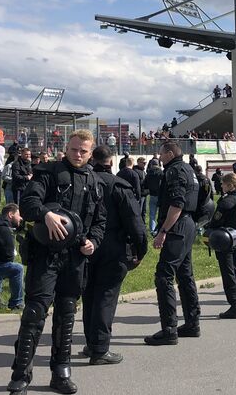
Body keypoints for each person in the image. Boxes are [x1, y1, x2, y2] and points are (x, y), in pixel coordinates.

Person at [8, 130, 106, 395]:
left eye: (83, 151)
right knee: (34, 313)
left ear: (90, 152)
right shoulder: (47, 172)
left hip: (75, 259)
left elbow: (99, 222)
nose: (78, 155)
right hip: (45, 255)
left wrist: (93, 242)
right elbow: (27, 204)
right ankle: (21, 373)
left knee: (66, 315)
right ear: (67, 147)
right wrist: (46, 214)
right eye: (74, 149)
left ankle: (61, 371)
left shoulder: (96, 182)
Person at [83, 146, 148, 365]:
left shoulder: (83, 181)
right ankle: (100, 349)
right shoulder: (118, 185)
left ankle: (92, 343)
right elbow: (134, 221)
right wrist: (141, 249)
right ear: (111, 161)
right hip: (113, 246)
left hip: (85, 245)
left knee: (90, 295)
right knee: (106, 296)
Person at [144, 141, 202, 346]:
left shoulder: (174, 171)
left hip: (177, 224)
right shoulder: (189, 169)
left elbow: (177, 203)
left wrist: (163, 231)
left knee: (164, 275)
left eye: (161, 154)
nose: (159, 158)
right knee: (185, 274)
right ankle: (192, 323)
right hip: (188, 224)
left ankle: (169, 329)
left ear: (169, 153)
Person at [209, 172, 236, 316]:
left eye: (223, 184)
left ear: (229, 185)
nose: (221, 186)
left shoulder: (227, 201)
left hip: (226, 240)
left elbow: (216, 219)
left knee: (228, 274)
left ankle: (234, 306)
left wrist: (209, 227)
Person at [144, 158, 163, 235]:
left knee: (152, 214)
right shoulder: (161, 172)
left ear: (151, 165)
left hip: (152, 195)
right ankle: (159, 229)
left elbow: (145, 184)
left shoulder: (149, 173)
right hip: (160, 195)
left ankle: (152, 230)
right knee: (161, 214)